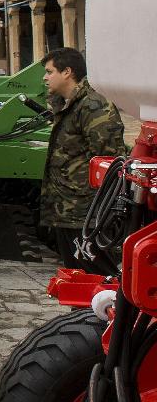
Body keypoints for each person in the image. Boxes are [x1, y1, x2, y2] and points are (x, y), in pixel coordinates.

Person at [39, 47, 128, 270]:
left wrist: (100, 212)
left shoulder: (93, 106)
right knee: (75, 274)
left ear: (67, 72)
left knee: (97, 273)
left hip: (86, 213)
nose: (45, 77)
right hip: (67, 209)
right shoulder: (66, 105)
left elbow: (108, 164)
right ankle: (83, 307)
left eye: (50, 72)